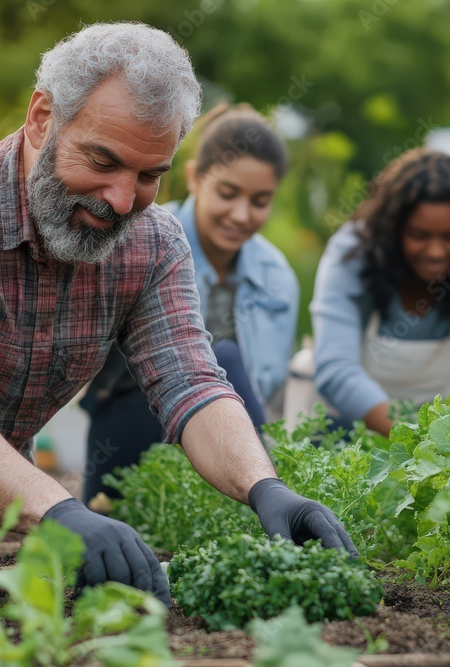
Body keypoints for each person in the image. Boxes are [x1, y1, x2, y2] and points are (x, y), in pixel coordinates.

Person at [0, 23, 355, 607]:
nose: (121, 200)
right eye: (103, 160)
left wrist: (266, 488)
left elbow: (191, 381)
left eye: (149, 176)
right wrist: (61, 510)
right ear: (43, 117)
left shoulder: (153, 242)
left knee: (18, 622)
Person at [81, 103, 298, 503]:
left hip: (230, 445)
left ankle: (261, 490)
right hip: (136, 428)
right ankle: (268, 494)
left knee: (230, 371)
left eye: (260, 200)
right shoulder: (144, 243)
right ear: (196, 178)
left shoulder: (277, 278)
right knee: (223, 358)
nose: (241, 214)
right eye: (228, 193)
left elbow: (265, 387)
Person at [310, 148, 450, 437]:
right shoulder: (353, 255)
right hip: (352, 433)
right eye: (419, 235)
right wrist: (414, 442)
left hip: (443, 442)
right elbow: (336, 370)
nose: (436, 251)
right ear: (394, 231)